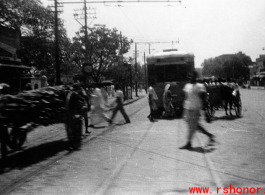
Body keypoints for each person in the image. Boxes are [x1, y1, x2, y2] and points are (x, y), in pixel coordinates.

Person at [179, 70, 216, 149]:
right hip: (188, 109)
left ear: (195, 77)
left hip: (196, 110)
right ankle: (210, 136)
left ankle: (188, 143)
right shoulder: (187, 86)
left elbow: (203, 99)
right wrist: (184, 109)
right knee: (195, 126)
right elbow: (186, 98)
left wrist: (206, 112)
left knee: (192, 127)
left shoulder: (199, 86)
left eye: (192, 75)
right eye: (189, 75)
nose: (190, 77)